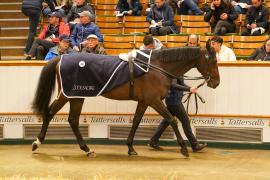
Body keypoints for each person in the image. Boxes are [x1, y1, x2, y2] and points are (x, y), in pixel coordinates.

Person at [149, 77, 207, 152]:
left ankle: (153, 141)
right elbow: (173, 85)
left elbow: (181, 83)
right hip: (175, 102)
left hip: (171, 100)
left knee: (166, 122)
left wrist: (190, 88)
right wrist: (189, 89)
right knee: (185, 121)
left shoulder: (179, 70)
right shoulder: (175, 71)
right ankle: (195, 145)